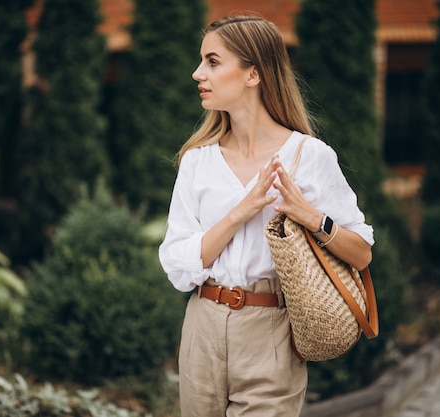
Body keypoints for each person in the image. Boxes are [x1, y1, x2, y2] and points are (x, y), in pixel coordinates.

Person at [158, 15, 374, 417]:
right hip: (202, 327)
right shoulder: (197, 161)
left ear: (252, 74)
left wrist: (310, 216)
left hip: (272, 332)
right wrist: (242, 211)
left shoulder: (309, 157)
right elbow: (177, 265)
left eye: (212, 61)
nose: (197, 73)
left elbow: (361, 255)